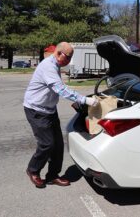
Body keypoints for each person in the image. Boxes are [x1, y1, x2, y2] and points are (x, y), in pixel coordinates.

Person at [23, 42, 98, 188]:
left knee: (57, 145)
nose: (69, 61)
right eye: (68, 57)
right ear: (59, 54)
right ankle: (33, 170)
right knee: (47, 144)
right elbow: (61, 90)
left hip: (49, 109)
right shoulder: (48, 66)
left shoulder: (55, 65)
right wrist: (84, 100)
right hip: (36, 110)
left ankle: (52, 176)